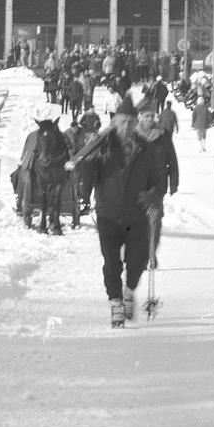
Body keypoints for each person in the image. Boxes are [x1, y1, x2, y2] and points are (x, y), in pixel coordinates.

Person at [76, 95, 164, 327]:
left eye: (130, 122)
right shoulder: (102, 146)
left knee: (138, 260)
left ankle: (129, 290)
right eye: (122, 122)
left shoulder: (147, 148)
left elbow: (159, 179)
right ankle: (116, 302)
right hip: (109, 213)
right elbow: (86, 174)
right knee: (111, 263)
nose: (126, 126)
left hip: (137, 214)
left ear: (136, 124)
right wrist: (89, 157)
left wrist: (152, 194)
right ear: (114, 123)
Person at [135, 100, 181, 291]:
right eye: (145, 116)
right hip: (136, 188)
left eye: (151, 116)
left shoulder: (163, 136)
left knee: (154, 221)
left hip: (156, 187)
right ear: (139, 117)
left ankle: (151, 255)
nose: (149, 119)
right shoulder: (132, 135)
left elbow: (172, 160)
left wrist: (174, 181)